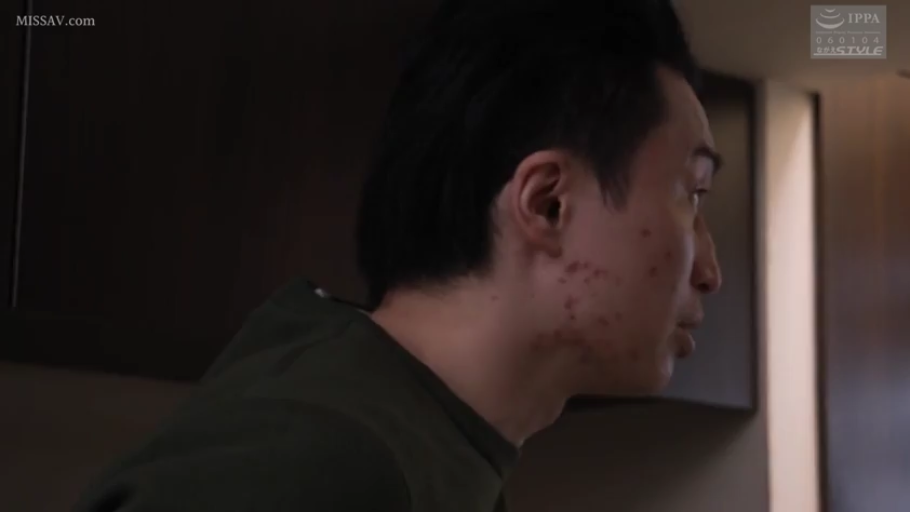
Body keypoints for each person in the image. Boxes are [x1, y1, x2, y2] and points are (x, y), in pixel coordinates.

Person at [73, 0, 721, 511]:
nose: (710, 272)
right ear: (548, 204)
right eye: (691, 193)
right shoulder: (319, 461)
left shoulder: (420, 444)